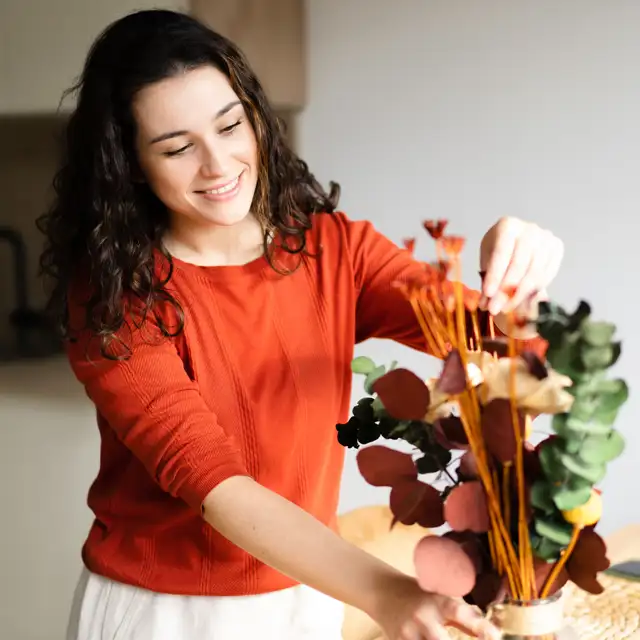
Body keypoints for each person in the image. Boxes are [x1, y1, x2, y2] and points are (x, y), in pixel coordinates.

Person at [37, 9, 564, 640]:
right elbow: (214, 481)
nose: (218, 163)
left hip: (309, 594)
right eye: (177, 148)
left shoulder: (331, 249)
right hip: (163, 612)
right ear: (130, 166)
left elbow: (491, 339)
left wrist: (515, 272)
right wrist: (386, 593)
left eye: (231, 125)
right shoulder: (115, 297)